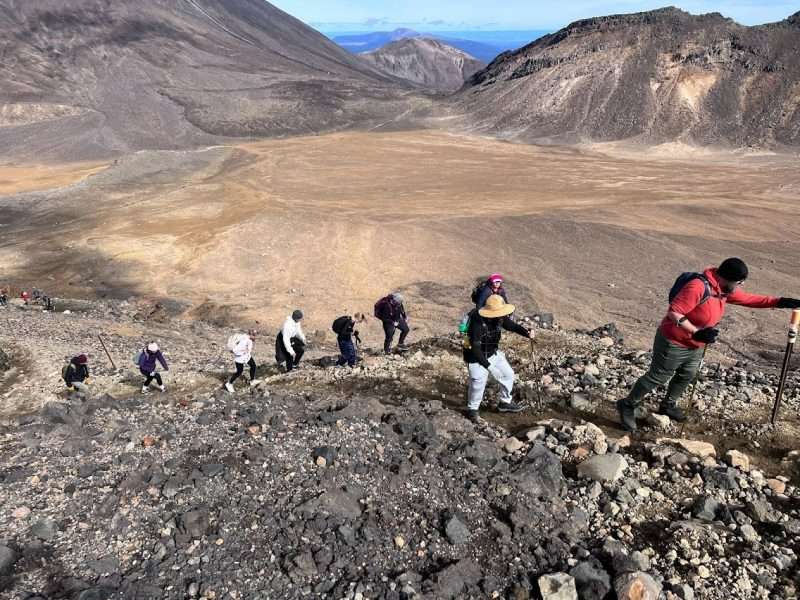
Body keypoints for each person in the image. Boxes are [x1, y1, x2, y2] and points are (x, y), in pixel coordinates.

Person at [617, 258, 800, 432]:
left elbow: (749, 299)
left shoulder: (722, 290)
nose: (740, 286)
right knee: (658, 376)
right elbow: (675, 312)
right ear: (727, 278)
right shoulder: (698, 287)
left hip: (696, 344)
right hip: (674, 341)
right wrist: (696, 331)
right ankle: (627, 404)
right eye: (739, 282)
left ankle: (668, 405)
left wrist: (780, 301)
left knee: (687, 374)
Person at [463, 294, 535, 422]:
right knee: (478, 384)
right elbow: (475, 349)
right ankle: (472, 410)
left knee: (508, 374)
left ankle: (505, 403)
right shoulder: (477, 323)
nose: (503, 316)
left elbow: (511, 325)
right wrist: (489, 367)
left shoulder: (499, 318)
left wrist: (526, 333)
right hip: (476, 358)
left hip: (492, 352)